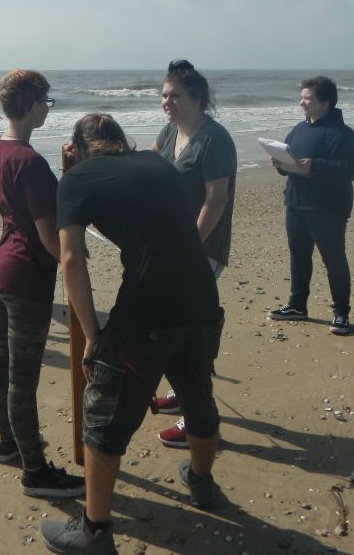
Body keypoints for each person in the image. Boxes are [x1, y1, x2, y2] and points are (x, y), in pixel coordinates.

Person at [41, 114, 225, 555]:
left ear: (79, 150)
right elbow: (129, 218)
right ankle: (201, 481)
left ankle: (94, 532)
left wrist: (91, 333)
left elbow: (71, 259)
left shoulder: (78, 178)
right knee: (198, 395)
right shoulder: (157, 163)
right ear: (122, 141)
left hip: (146, 311)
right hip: (201, 298)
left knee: (103, 418)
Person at [0, 70, 85, 499]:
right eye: (45, 100)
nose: (48, 106)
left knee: (1, 363)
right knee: (21, 380)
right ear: (28, 105)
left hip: (1, 267)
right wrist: (73, 258)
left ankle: (9, 445)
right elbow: (50, 239)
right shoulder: (29, 162)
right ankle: (35, 471)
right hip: (26, 276)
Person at [149, 59, 236, 450]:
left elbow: (217, 200)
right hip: (172, 246)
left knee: (189, 333)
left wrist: (189, 249)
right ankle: (184, 395)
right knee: (172, 323)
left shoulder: (215, 140)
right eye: (164, 95)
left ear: (197, 99)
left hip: (202, 249)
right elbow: (148, 168)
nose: (167, 102)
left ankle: (196, 417)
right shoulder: (169, 132)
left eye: (175, 96)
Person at [268, 76, 354, 335]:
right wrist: (281, 166)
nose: (302, 103)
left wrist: (314, 166)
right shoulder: (299, 129)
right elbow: (291, 162)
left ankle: (341, 313)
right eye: (302, 97)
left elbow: (349, 170)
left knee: (333, 260)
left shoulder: (341, 133)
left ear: (325, 102)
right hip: (296, 204)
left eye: (308, 99)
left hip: (328, 207)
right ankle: (297, 305)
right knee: (298, 256)